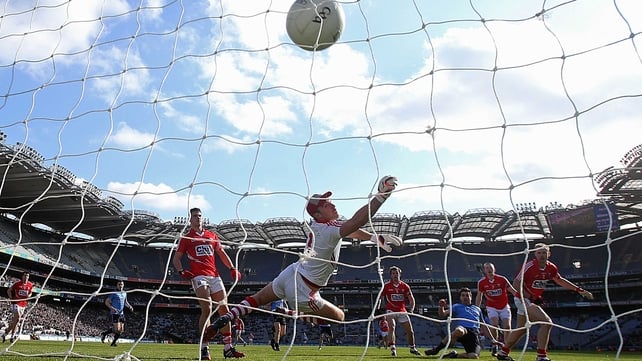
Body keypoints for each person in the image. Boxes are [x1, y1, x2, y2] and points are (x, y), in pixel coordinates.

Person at [205, 176, 401, 357]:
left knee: (256, 299)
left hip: (291, 272)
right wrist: (382, 195)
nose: (332, 204)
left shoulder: (323, 226)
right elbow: (356, 222)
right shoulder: (329, 229)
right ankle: (290, 313)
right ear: (317, 213)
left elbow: (351, 230)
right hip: (305, 291)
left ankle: (226, 318)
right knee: (339, 316)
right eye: (326, 204)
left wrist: (375, 238)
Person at [495, 243, 594, 361]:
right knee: (547, 323)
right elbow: (516, 284)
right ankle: (541, 356)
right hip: (523, 299)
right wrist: (530, 296)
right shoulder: (529, 266)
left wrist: (579, 290)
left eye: (544, 252)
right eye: (539, 252)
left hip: (531, 300)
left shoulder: (551, 268)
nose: (541, 255)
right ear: (535, 254)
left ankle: (503, 353)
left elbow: (560, 280)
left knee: (521, 329)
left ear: (549, 253)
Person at [172, 207, 244, 360]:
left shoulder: (212, 235)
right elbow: (176, 258)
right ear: (190, 219)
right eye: (195, 216)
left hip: (215, 276)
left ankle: (227, 348)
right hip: (199, 277)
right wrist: (181, 271)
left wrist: (232, 268)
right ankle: (204, 348)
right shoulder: (186, 238)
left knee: (224, 309)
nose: (198, 218)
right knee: (208, 308)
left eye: (199, 216)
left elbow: (222, 253)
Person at [425, 287, 483, 359]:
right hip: (463, 329)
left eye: (467, 295)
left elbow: (484, 325)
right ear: (460, 297)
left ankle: (454, 355)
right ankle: (436, 350)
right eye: (463, 295)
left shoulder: (477, 309)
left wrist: (493, 339)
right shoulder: (456, 306)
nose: (465, 297)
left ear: (471, 297)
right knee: (459, 330)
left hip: (474, 333)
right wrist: (441, 307)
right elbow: (442, 314)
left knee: (474, 356)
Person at [476, 262, 520, 356]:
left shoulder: (502, 279)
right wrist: (476, 308)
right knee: (494, 324)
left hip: (504, 306)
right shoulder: (481, 282)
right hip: (491, 307)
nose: (489, 269)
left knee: (507, 327)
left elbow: (512, 290)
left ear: (494, 269)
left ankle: (506, 348)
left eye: (490, 267)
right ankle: (495, 345)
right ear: (484, 270)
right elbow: (479, 296)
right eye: (487, 268)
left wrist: (522, 298)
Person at [378, 266, 421, 356]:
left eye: (396, 273)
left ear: (400, 274)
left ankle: (412, 348)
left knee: (410, 331)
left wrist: (411, 309)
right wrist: (378, 307)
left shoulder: (405, 286)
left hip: (402, 310)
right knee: (392, 327)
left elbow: (411, 298)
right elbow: (380, 297)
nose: (395, 275)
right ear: (390, 275)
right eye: (393, 273)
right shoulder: (386, 286)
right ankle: (393, 349)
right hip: (391, 310)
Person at [100, 280, 134, 346]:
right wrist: (112, 308)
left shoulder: (124, 293)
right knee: (117, 329)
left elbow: (125, 302)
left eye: (121, 284)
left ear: (123, 285)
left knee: (121, 330)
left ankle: (112, 341)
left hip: (121, 313)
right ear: (117, 285)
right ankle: (105, 334)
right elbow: (106, 302)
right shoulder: (114, 293)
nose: (120, 286)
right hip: (115, 313)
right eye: (119, 284)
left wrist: (129, 306)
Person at [4, 272, 34, 343]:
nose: (26, 277)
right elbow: (9, 290)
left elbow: (30, 292)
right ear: (22, 276)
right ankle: (12, 336)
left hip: (23, 304)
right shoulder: (17, 284)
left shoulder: (30, 285)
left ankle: (5, 333)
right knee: (18, 318)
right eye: (25, 275)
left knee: (16, 321)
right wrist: (11, 298)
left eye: (27, 276)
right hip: (16, 303)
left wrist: (29, 295)